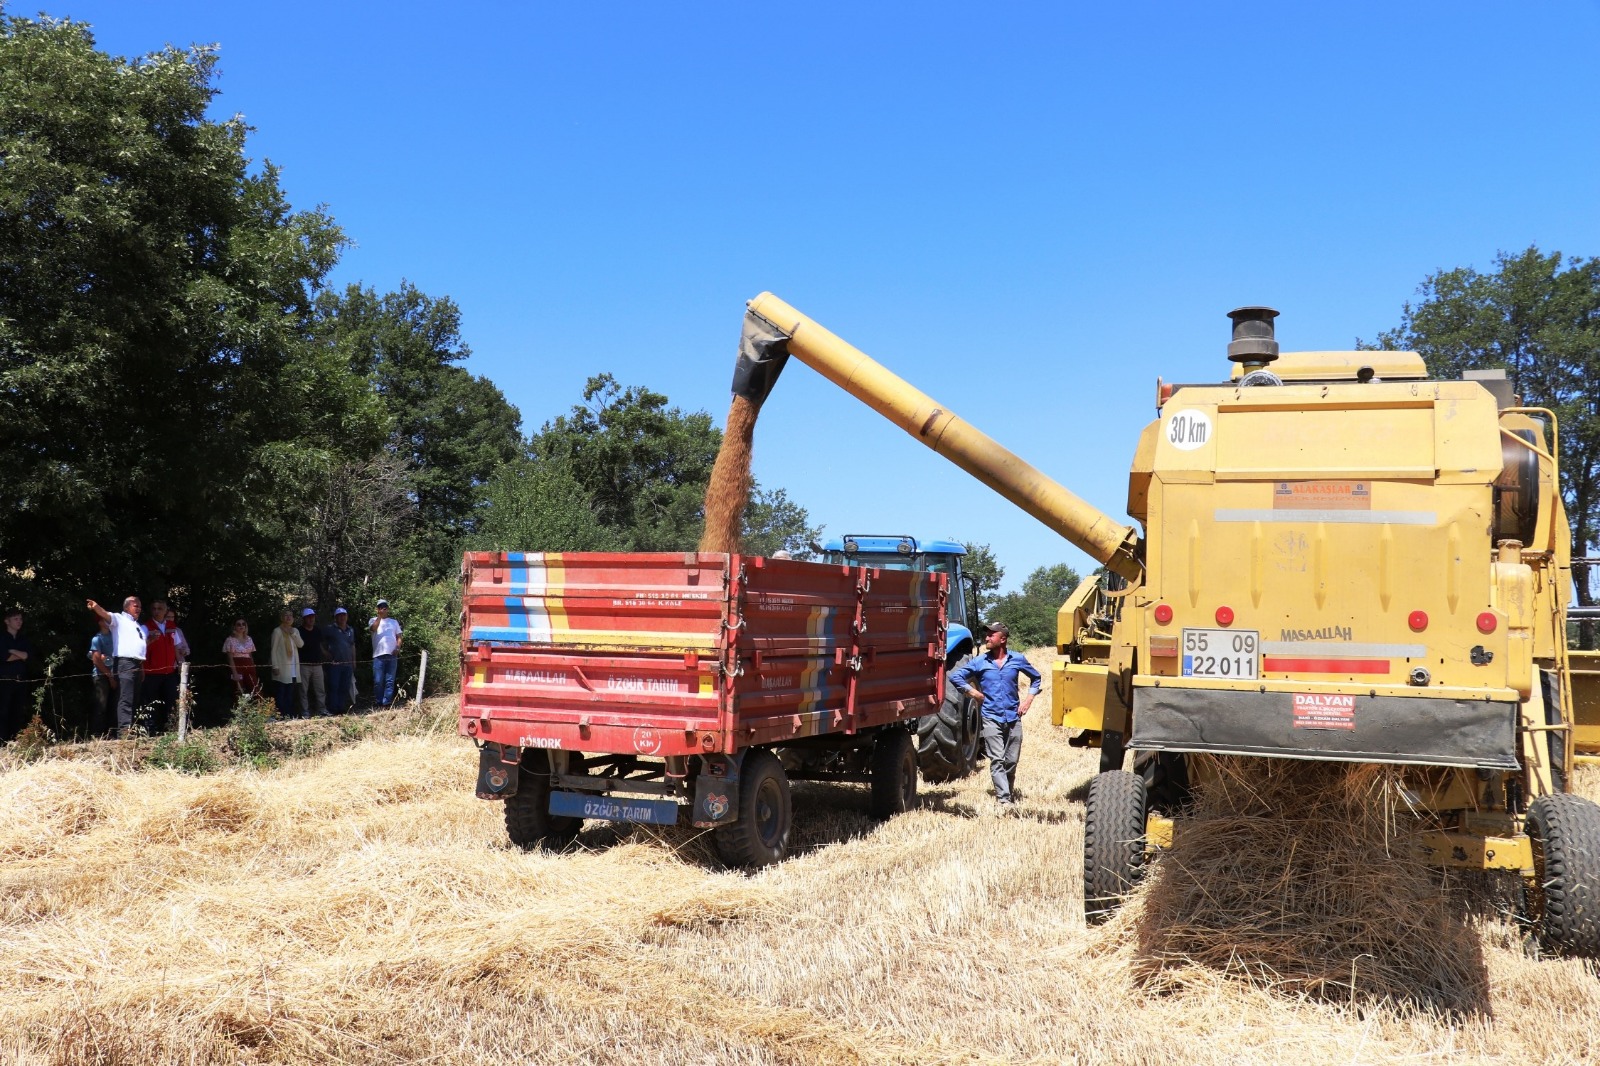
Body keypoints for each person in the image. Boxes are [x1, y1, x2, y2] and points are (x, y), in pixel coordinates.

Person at [948, 621, 1041, 810]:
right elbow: (955, 676)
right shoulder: (980, 661)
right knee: (997, 759)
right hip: (991, 717)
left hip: (1013, 717)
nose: (987, 638)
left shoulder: (1017, 659)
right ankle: (1004, 800)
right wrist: (972, 692)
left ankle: (1008, 791)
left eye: (991, 635)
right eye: (987, 634)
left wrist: (1028, 700)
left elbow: (1036, 678)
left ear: (1003, 639)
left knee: (1011, 761)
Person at [86, 596, 146, 739]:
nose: (138, 608)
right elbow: (105, 614)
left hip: (137, 663)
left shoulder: (136, 625)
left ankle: (130, 729)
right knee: (125, 697)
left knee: (134, 698)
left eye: (139, 606)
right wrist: (95, 606)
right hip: (125, 662)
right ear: (126, 607)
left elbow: (136, 646)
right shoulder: (119, 619)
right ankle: (124, 732)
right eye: (135, 606)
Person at [141, 599, 179, 732]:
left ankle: (170, 728)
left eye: (160, 609)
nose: (156, 611)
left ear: (166, 611)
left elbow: (176, 646)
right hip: (151, 672)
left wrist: (179, 663)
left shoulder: (172, 626)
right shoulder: (145, 627)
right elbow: (140, 647)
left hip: (169, 672)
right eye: (154, 609)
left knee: (171, 700)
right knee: (150, 702)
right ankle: (150, 730)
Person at [0, 606, 33, 743]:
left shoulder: (23, 639)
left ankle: (14, 742)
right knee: (3, 713)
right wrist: (19, 655)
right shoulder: (2, 638)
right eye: (16, 619)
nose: (19, 621)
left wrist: (13, 650)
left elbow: (27, 656)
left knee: (17, 713)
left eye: (20, 619)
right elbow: (5, 657)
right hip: (4, 681)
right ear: (7, 621)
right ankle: (2, 743)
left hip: (20, 681)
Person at [368, 599, 402, 708]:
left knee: (390, 680)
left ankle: (386, 702)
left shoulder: (394, 622)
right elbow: (373, 628)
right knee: (378, 681)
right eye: (380, 607)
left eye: (384, 607)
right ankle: (379, 702)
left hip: (392, 655)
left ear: (388, 608)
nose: (383, 608)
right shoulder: (373, 620)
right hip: (378, 655)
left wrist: (397, 647)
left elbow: (399, 637)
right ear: (377, 609)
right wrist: (379, 616)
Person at [269, 609, 303, 718]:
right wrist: (275, 666)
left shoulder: (295, 630)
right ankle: (280, 715)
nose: (288, 617)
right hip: (282, 667)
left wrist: (292, 633)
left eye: (290, 615)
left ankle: (289, 714)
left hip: (293, 667)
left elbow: (300, 644)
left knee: (290, 692)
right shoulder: (277, 631)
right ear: (282, 618)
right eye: (286, 615)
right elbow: (273, 650)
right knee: (281, 692)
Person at [323, 607, 357, 715]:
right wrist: (325, 653)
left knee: (344, 687)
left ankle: (341, 709)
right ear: (335, 617)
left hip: (348, 663)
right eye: (339, 615)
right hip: (335, 663)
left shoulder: (350, 630)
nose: (342, 617)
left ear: (347, 616)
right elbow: (319, 641)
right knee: (334, 686)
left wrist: (354, 661)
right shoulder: (330, 629)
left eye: (344, 615)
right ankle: (332, 709)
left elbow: (352, 645)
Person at [88, 617, 117, 739]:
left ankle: (112, 733)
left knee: (114, 705)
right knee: (101, 705)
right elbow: (96, 659)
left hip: (115, 674)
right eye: (105, 620)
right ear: (99, 622)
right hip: (101, 676)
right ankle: (97, 735)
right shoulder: (97, 638)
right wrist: (110, 676)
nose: (108, 622)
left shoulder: (115, 636)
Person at [297, 608, 327, 718]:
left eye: (312, 617)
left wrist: (327, 655)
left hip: (318, 665)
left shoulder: (317, 630)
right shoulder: (298, 631)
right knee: (303, 690)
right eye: (308, 617)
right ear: (304, 619)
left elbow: (320, 646)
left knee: (320, 689)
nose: (311, 619)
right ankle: (305, 711)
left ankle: (322, 710)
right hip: (303, 665)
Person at [223, 618, 260, 699]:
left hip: (249, 665)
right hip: (237, 665)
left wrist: (253, 666)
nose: (241, 626)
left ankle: (259, 706)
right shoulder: (230, 640)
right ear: (234, 627)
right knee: (239, 690)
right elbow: (230, 658)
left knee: (255, 688)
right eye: (238, 624)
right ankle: (240, 707)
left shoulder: (249, 639)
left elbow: (250, 655)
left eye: (243, 624)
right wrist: (234, 673)